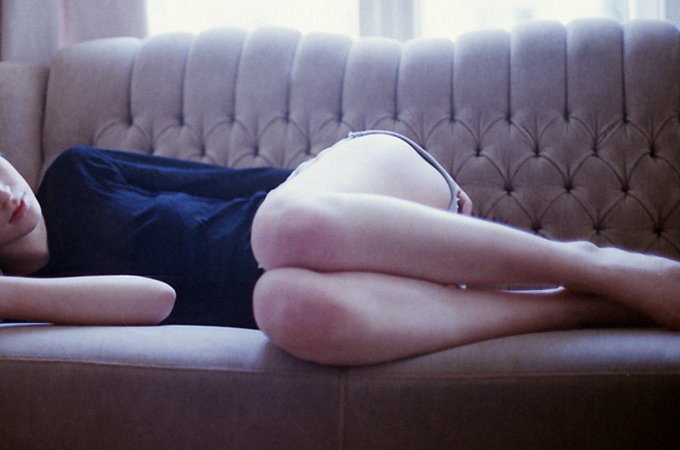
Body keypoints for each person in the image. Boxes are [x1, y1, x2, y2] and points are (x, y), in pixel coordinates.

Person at [1, 131, 679, 366]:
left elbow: (259, 185)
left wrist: (395, 219)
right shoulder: (39, 299)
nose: (4, 195)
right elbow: (156, 300)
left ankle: (597, 264)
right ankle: (583, 307)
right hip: (346, 284)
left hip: (359, 195)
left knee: (277, 229)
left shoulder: (76, 175)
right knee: (286, 309)